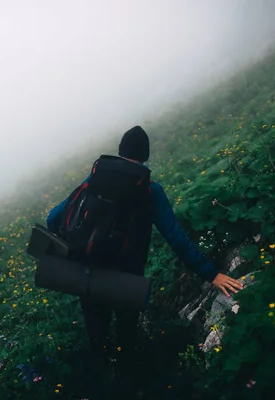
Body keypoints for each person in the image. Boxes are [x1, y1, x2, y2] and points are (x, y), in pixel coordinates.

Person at [45, 125, 243, 361]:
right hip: (127, 277)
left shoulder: (95, 178)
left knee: (96, 329)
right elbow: (176, 238)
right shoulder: (150, 191)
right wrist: (212, 275)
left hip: (88, 270)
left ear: (120, 150)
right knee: (127, 332)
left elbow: (53, 218)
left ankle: (101, 367)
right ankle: (128, 370)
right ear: (145, 156)